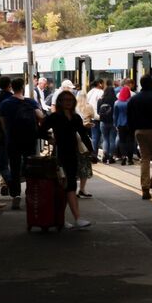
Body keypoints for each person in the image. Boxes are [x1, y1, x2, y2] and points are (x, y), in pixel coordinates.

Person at [38, 91, 92, 229]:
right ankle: (73, 218)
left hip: (73, 154)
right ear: (60, 102)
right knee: (66, 186)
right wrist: (50, 139)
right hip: (59, 155)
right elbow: (40, 130)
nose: (68, 102)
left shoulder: (75, 117)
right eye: (65, 99)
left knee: (68, 186)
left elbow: (83, 134)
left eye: (70, 99)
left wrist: (91, 152)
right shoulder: (55, 117)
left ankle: (62, 219)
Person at [0, 81, 44, 209]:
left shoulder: (5, 103)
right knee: (30, 166)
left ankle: (15, 195)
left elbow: (3, 124)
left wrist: (8, 133)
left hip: (13, 139)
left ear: (12, 87)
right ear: (23, 87)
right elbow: (41, 116)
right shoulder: (30, 102)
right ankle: (29, 193)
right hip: (29, 139)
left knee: (14, 167)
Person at [115, 82, 135, 165]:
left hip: (120, 124)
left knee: (122, 141)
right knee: (130, 141)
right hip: (130, 124)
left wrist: (116, 124)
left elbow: (115, 115)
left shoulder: (117, 103)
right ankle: (130, 159)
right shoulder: (131, 103)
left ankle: (123, 157)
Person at [97, 84, 118, 163]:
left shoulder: (100, 100)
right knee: (112, 139)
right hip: (112, 122)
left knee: (105, 139)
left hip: (103, 122)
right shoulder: (115, 100)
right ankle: (111, 157)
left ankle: (105, 156)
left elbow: (98, 112)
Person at [84, 79, 105, 160]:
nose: (103, 85)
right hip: (99, 117)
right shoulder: (100, 92)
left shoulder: (89, 92)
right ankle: (102, 154)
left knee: (94, 137)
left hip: (91, 117)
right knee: (102, 137)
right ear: (100, 84)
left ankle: (93, 153)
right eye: (103, 83)